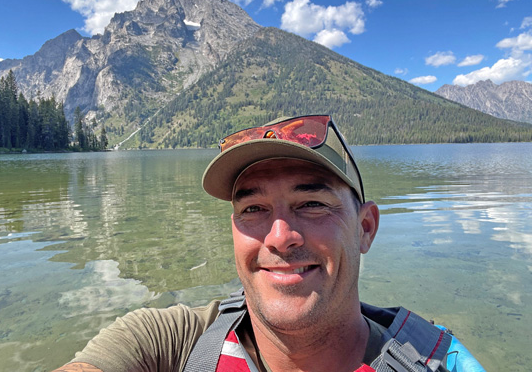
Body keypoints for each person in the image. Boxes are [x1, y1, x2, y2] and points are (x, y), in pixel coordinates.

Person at [54, 115, 485, 372]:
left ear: (366, 228)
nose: (279, 238)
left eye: (312, 203)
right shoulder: (171, 342)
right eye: (253, 209)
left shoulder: (436, 362)